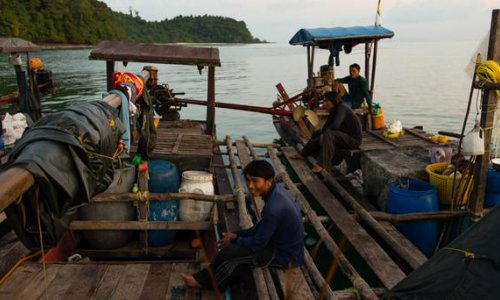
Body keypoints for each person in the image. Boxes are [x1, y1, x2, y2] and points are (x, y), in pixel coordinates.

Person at [181, 159, 304, 292]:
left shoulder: (273, 208)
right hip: (279, 245)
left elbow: (258, 244)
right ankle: (200, 278)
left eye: (255, 181)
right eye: (248, 180)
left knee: (230, 254)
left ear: (269, 181)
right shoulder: (276, 192)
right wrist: (238, 234)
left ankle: (211, 285)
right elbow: (261, 227)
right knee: (234, 243)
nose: (250, 186)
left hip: (284, 257)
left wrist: (234, 239)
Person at [300, 91, 362, 173]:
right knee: (317, 133)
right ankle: (303, 154)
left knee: (329, 134)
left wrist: (325, 134)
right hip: (344, 136)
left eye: (326, 101)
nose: (324, 104)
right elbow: (326, 126)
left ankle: (321, 165)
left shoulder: (341, 108)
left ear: (334, 101)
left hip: (353, 140)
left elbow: (336, 126)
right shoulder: (334, 110)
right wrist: (322, 134)